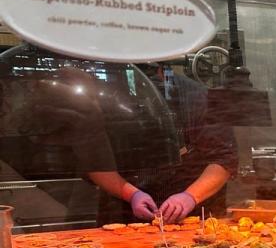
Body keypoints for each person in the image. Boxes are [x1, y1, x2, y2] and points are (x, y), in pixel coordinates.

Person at [89, 66, 238, 224]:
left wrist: (190, 197)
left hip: (191, 216)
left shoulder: (197, 96)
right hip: (123, 213)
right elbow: (95, 162)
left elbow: (224, 159)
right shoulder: (106, 98)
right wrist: (131, 194)